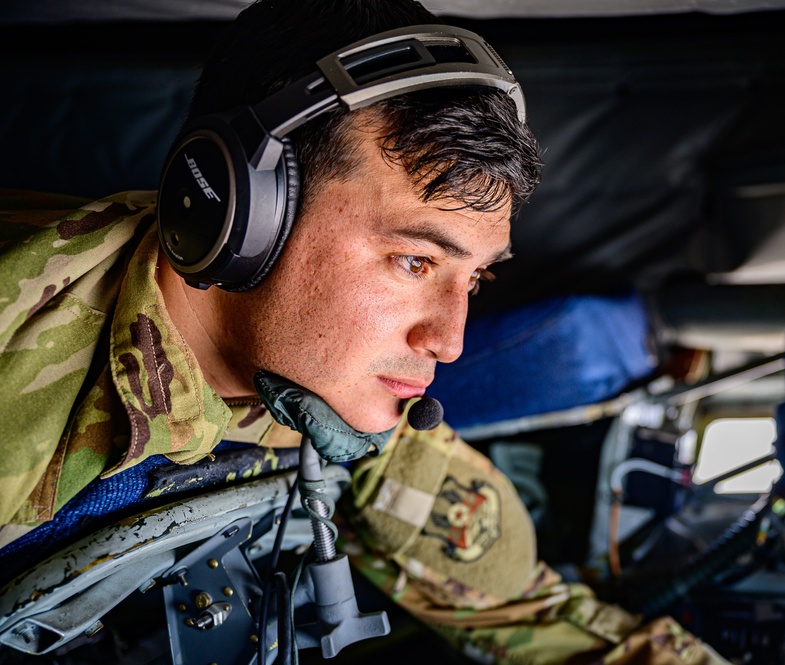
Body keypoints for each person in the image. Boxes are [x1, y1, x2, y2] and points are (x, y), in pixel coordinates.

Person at [0, 0, 730, 663]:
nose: (450, 341)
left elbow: (521, 605)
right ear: (233, 214)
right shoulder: (19, 366)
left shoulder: (325, 393)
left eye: (475, 278)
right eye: (415, 260)